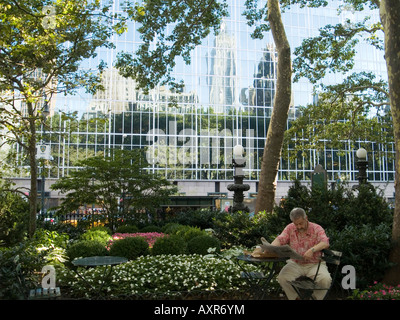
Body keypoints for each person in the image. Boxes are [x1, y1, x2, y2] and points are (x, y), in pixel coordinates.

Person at [271, 207, 331, 300]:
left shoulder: (317, 228)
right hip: (295, 263)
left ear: (306, 218)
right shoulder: (290, 227)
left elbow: (325, 243)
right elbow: (280, 239)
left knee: (325, 280)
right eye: (296, 224)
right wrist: (270, 248)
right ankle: (295, 298)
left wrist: (312, 250)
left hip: (314, 264)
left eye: (301, 223)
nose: (299, 227)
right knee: (282, 278)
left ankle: (314, 298)